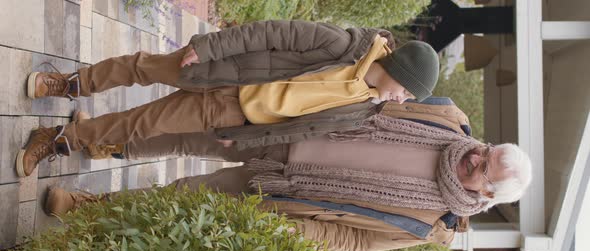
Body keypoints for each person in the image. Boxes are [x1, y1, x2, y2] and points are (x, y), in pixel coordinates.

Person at [44, 97, 533, 251]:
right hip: (285, 129)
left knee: (182, 196)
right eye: (484, 150)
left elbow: (355, 241)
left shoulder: (431, 225)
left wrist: (295, 230)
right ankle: (100, 140)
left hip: (284, 192)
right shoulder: (449, 119)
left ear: (486, 194)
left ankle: (89, 208)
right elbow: (377, 100)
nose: (472, 156)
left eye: (481, 168)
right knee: (188, 134)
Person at [16, 20, 440, 178]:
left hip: (233, 109)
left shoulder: (361, 108)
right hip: (224, 68)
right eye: (406, 90)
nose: (401, 100)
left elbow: (297, 125)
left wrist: (242, 139)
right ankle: (69, 83)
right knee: (144, 67)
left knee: (140, 125)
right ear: (400, 73)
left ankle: (58, 139)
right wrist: (213, 46)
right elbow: (273, 33)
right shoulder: (343, 44)